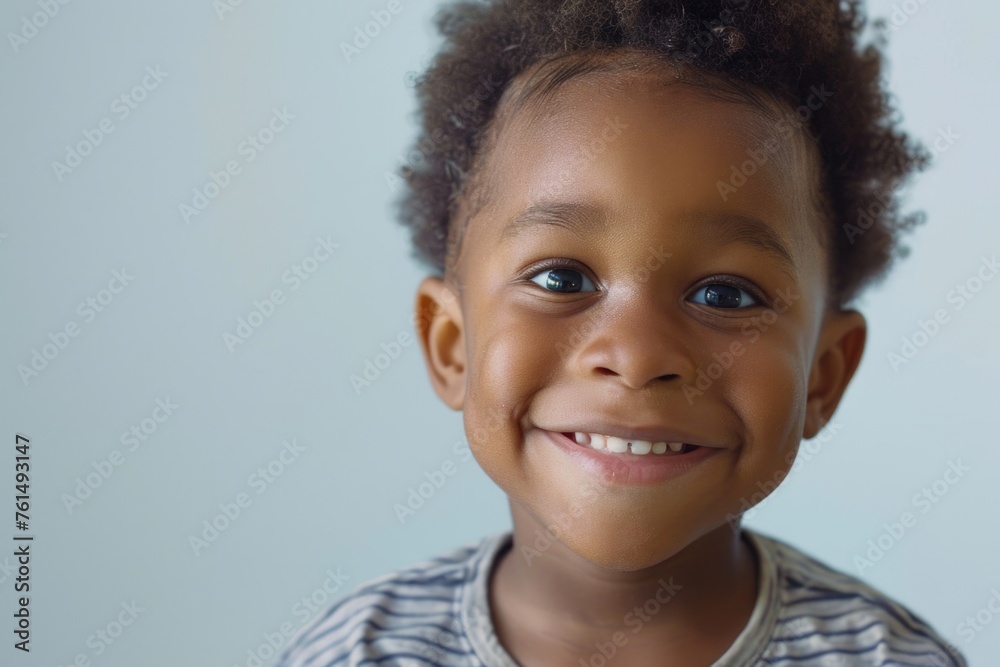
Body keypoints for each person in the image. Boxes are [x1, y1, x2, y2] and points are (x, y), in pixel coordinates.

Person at [277, 0, 967, 664]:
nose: (636, 356)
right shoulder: (356, 652)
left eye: (724, 294)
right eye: (561, 279)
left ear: (823, 373)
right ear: (452, 345)